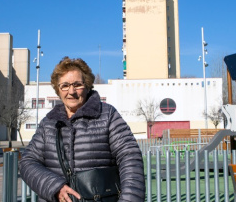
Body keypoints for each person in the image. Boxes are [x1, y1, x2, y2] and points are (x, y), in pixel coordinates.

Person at [19, 57, 145, 202]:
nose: (71, 91)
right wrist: (54, 187)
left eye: (77, 84)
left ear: (87, 85)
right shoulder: (48, 123)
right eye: (65, 85)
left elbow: (130, 158)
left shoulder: (107, 115)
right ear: (58, 90)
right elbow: (27, 162)